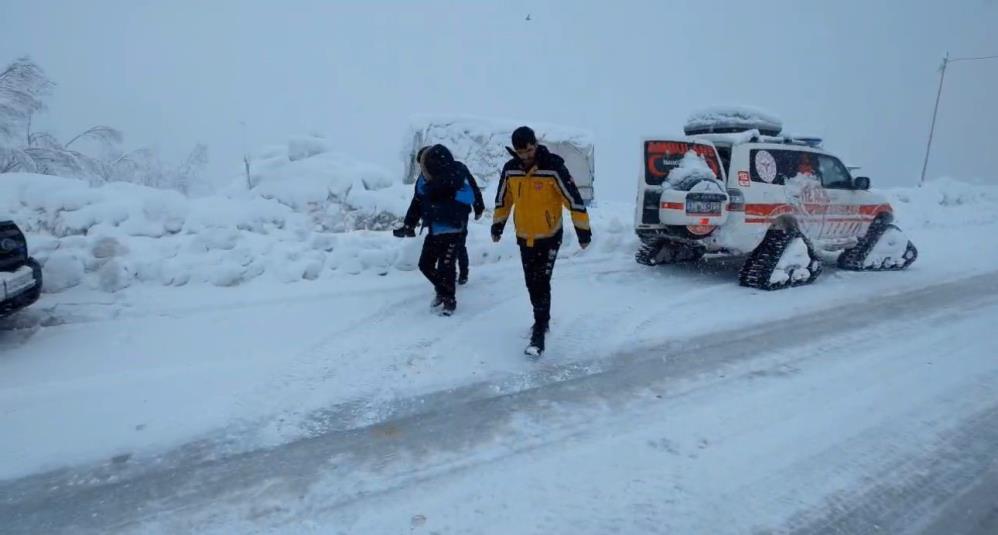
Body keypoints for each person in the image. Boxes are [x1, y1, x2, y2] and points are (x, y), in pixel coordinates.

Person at [491, 126, 591, 356]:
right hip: (524, 235)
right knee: (530, 282)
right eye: (521, 152)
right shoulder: (511, 169)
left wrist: (583, 231)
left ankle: (539, 331)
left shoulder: (553, 167)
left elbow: (573, 200)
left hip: (549, 236)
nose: (526, 155)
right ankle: (542, 317)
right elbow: (503, 200)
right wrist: (498, 225)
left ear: (535, 145)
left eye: (529, 150)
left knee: (541, 282)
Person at [393, 145, 476, 316]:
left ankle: (449, 301)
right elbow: (417, 203)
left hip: (454, 230)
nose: (423, 169)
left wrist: (451, 194)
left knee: (447, 266)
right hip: (434, 230)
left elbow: (470, 195)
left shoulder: (455, 176)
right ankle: (442, 290)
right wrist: (409, 224)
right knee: (425, 265)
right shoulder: (425, 182)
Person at [457, 163, 486, 285]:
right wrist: (478, 207)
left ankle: (461, 273)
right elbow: (473, 187)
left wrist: (479, 207)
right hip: (461, 211)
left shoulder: (456, 168)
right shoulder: (459, 167)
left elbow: (472, 187)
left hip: (458, 212)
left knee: (454, 244)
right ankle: (461, 273)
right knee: (458, 244)